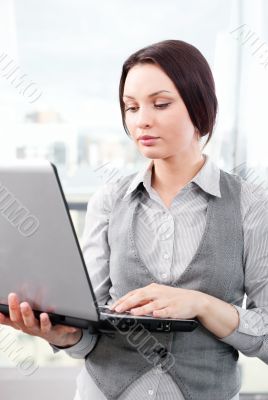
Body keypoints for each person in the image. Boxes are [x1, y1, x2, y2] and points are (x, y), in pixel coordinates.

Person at [1, 39, 268, 400]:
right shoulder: (110, 200)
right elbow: (87, 328)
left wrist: (203, 305)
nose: (141, 120)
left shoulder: (250, 205)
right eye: (130, 107)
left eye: (160, 104)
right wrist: (60, 334)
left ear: (200, 105)